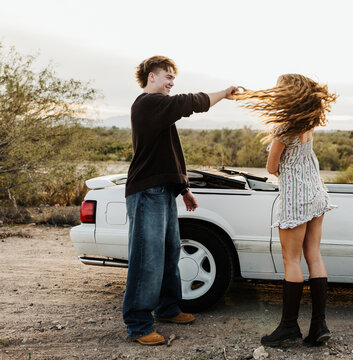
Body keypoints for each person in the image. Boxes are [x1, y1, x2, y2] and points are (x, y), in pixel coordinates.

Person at [123, 55, 238, 345]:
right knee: (146, 260)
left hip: (162, 191)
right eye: (167, 77)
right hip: (146, 192)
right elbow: (190, 103)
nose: (172, 83)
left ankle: (168, 309)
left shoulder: (159, 111)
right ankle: (138, 324)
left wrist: (183, 189)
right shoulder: (148, 103)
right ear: (152, 77)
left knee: (168, 254)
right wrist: (224, 93)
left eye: (174, 78)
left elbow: (169, 155)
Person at [234, 74, 338, 347]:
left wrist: (285, 172)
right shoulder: (309, 121)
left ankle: (289, 327)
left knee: (291, 260)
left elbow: (271, 167)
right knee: (314, 255)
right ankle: (319, 325)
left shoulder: (284, 127)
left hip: (295, 198)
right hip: (316, 193)